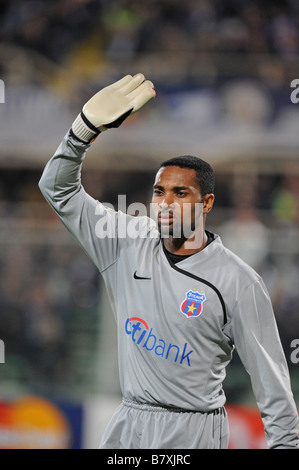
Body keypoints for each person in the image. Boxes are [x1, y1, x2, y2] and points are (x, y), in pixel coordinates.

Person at [39, 73, 299, 449]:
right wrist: (83, 130)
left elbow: (273, 386)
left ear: (206, 204)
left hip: (192, 433)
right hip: (127, 425)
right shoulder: (125, 243)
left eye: (181, 193)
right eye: (159, 191)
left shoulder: (237, 282)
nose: (165, 202)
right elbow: (57, 190)